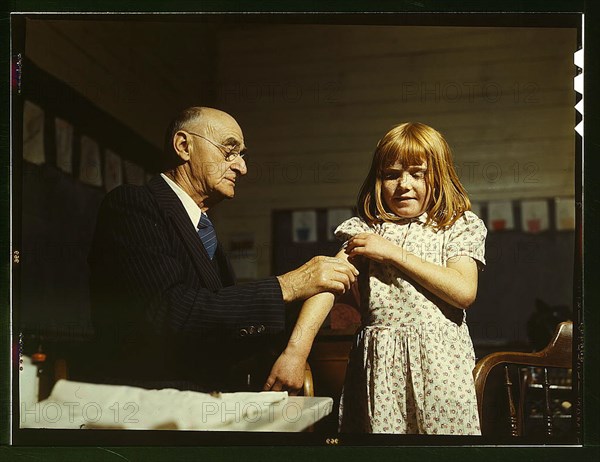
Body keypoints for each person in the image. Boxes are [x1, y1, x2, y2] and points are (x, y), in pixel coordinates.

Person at [87, 106, 358, 393]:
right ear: (183, 146)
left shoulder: (204, 230)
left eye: (242, 156)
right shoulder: (133, 205)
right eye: (229, 151)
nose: (242, 167)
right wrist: (287, 286)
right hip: (150, 407)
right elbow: (165, 312)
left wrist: (300, 329)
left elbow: (220, 323)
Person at [264, 122, 486, 435]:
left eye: (416, 173)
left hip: (441, 366)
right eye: (391, 174)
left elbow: (463, 291)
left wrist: (393, 253)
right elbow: (326, 285)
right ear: (378, 180)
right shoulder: (366, 230)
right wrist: (295, 353)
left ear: (438, 176)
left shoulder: (456, 225)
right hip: (380, 368)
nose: (403, 185)